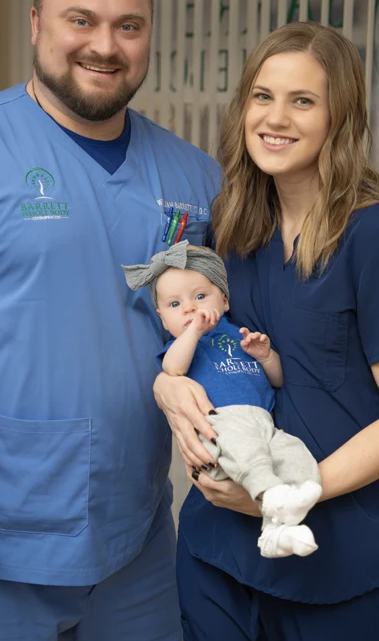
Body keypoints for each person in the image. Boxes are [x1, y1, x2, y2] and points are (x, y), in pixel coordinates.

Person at [0, 0, 221, 641]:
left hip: (135, 536)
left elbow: (217, 322)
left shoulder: (195, 176)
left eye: (127, 25)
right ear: (38, 24)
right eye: (82, 20)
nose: (105, 45)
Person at [154, 22, 379, 641]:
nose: (276, 118)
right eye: (263, 96)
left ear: (338, 118)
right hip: (218, 553)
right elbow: (199, 352)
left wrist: (293, 495)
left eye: (303, 100)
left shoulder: (376, 237)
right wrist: (168, 390)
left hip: (338, 559)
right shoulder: (231, 233)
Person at [123, 240, 322, 560]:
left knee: (295, 457)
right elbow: (172, 369)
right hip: (222, 426)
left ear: (224, 300)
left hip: (264, 423)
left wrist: (266, 355)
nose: (189, 308)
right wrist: (193, 332)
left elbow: (278, 379)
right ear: (162, 319)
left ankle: (277, 531)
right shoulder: (181, 345)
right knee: (250, 453)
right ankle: (271, 496)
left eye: (200, 297)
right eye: (175, 305)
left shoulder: (237, 333)